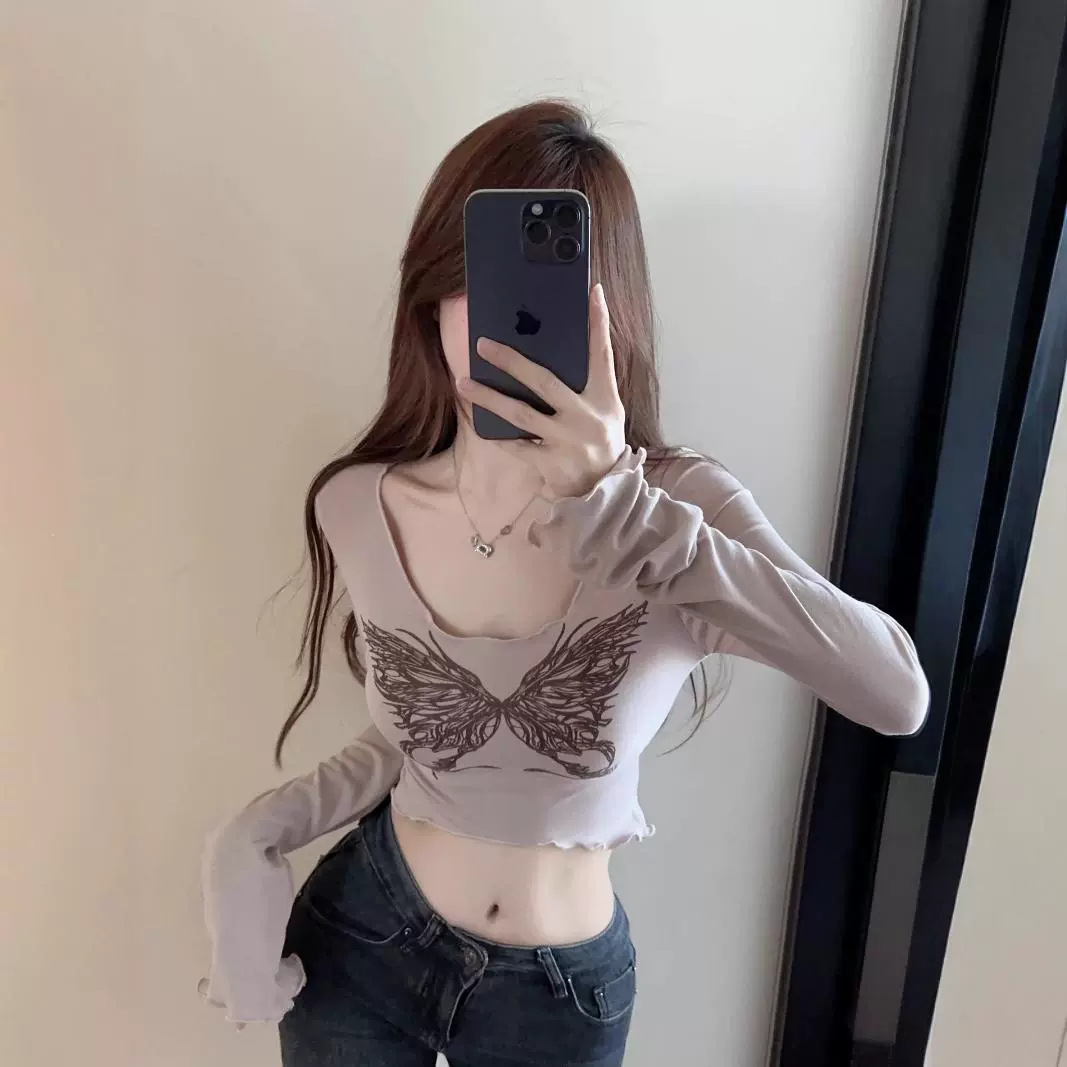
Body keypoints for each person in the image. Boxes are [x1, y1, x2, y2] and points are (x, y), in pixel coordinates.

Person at [199, 99, 929, 1067]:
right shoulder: (359, 504)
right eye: (482, 282)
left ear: (607, 308)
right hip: (363, 940)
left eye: (546, 292)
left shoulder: (678, 509)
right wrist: (257, 832)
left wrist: (628, 514)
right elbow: (426, 740)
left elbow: (893, 691)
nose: (508, 324)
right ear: (432, 294)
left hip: (556, 1000)